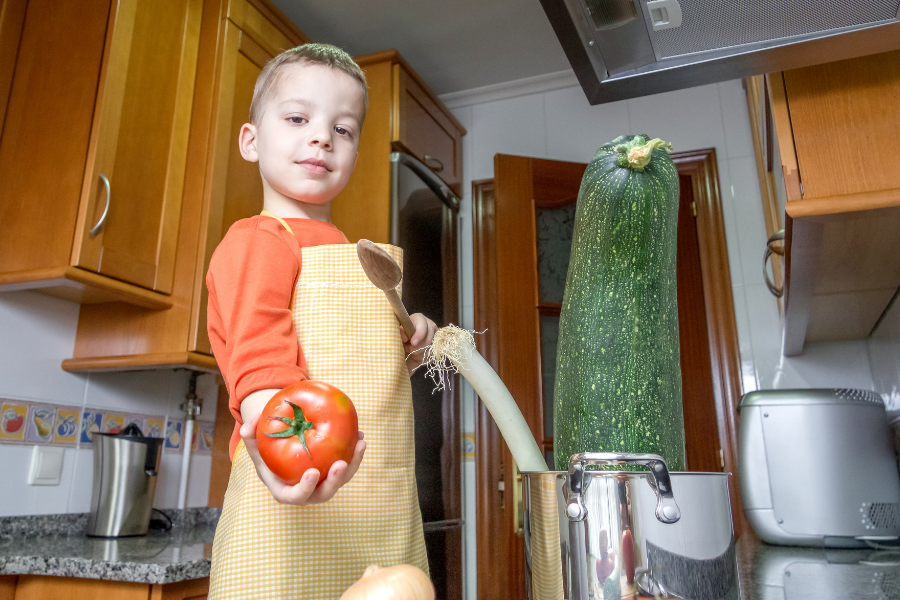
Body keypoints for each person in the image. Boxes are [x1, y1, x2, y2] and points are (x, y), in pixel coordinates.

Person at [206, 43, 437, 599]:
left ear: (355, 155)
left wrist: (408, 340)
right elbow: (260, 362)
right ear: (251, 140)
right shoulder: (257, 241)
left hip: (376, 510)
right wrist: (276, 458)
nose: (321, 137)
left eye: (344, 128)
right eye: (296, 118)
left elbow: (358, 363)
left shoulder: (357, 257)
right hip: (291, 498)